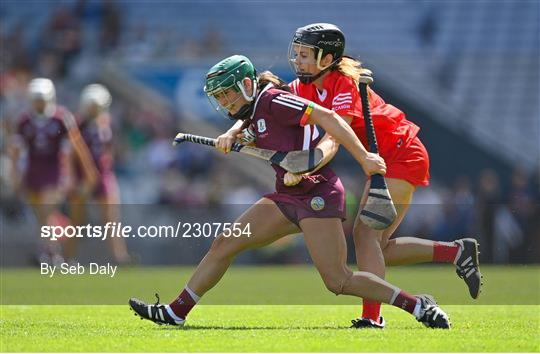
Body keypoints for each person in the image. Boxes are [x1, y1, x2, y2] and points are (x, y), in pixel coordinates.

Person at [129, 55, 451, 329]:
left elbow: (329, 118)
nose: (225, 102)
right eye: (220, 97)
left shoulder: (273, 100)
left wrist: (364, 157)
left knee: (338, 280)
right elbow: (252, 125)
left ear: (247, 85)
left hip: (317, 194)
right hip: (286, 196)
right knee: (226, 242)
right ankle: (176, 312)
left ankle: (417, 305)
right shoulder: (254, 110)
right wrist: (232, 133)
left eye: (229, 94)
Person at [283, 23, 481, 328]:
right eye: (296, 53)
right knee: (379, 246)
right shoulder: (304, 85)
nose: (298, 60)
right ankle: (456, 251)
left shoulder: (344, 84)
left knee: (365, 235)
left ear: (326, 58)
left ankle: (372, 317)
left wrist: (307, 165)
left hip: (402, 154)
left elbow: (335, 136)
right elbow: (277, 108)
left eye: (305, 55)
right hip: (380, 160)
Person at [9, 78, 99, 264]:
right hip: (33, 171)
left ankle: (47, 251)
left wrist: (75, 174)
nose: (39, 103)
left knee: (47, 211)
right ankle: (53, 252)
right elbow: (16, 150)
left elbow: (75, 148)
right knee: (42, 217)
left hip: (54, 170)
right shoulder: (24, 120)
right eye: (36, 99)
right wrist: (15, 176)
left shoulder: (61, 118)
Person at [64, 84, 132, 264]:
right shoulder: (78, 124)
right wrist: (72, 178)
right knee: (77, 220)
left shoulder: (106, 122)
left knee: (111, 219)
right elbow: (70, 154)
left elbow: (108, 149)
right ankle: (67, 258)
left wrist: (107, 166)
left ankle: (120, 258)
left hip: (103, 175)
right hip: (82, 177)